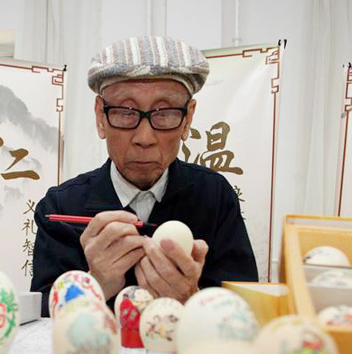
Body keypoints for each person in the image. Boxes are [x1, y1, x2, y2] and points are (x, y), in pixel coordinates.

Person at [31, 35, 258, 315]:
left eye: (164, 113)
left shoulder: (214, 196)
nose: (145, 137)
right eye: (126, 112)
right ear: (101, 117)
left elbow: (243, 310)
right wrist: (96, 283)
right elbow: (41, 316)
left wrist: (190, 297)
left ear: (187, 119)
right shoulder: (61, 207)